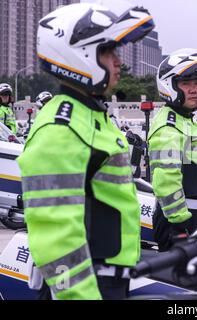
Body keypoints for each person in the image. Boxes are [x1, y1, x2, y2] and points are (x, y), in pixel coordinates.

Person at [17, 1, 155, 300]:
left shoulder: (91, 115)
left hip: (108, 279)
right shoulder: (60, 128)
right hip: (86, 287)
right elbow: (54, 234)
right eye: (108, 52)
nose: (118, 62)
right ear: (77, 55)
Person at [149, 48, 197, 251]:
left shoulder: (188, 119)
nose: (195, 89)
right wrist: (179, 227)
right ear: (170, 86)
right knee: (191, 281)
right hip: (179, 222)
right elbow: (166, 182)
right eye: (186, 83)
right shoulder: (168, 126)